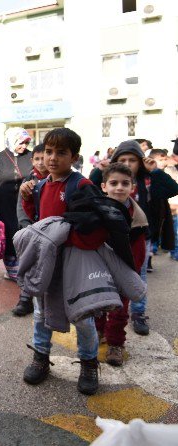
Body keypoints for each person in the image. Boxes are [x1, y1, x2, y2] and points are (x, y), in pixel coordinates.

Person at [19, 128, 104, 395]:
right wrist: (26, 197)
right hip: (47, 262)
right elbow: (38, 220)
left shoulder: (81, 185)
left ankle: (89, 363)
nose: (52, 158)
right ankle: (41, 357)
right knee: (41, 312)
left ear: (74, 157)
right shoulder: (41, 185)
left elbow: (93, 224)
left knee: (82, 314)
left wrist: (70, 243)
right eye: (48, 152)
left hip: (73, 262)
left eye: (61, 152)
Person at [90, 140, 178, 335]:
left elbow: (172, 189)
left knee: (138, 277)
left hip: (139, 237)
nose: (128, 164)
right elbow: (92, 185)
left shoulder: (147, 181)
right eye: (123, 160)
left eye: (133, 160)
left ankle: (138, 313)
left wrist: (155, 171)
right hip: (111, 239)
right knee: (107, 279)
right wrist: (99, 169)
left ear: (141, 161)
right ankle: (103, 318)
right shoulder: (112, 179)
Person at [95, 163, 148, 366]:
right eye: (114, 183)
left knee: (119, 309)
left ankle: (116, 343)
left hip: (125, 270)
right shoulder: (96, 210)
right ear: (103, 186)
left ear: (132, 187)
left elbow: (139, 251)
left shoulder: (138, 218)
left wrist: (131, 273)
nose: (119, 188)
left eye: (125, 183)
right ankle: (98, 330)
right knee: (98, 304)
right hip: (99, 269)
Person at [0, 127, 33, 281]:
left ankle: (26, 266)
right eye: (21, 142)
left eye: (26, 142)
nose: (24, 146)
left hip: (25, 204)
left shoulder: (30, 156)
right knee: (8, 235)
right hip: (4, 205)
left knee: (25, 233)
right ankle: (12, 269)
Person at [12, 143, 49, 316]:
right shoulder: (28, 181)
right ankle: (25, 298)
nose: (41, 162)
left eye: (44, 158)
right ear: (32, 160)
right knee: (28, 265)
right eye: (37, 159)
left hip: (51, 234)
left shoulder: (56, 180)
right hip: (31, 231)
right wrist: (26, 227)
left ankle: (49, 301)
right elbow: (21, 207)